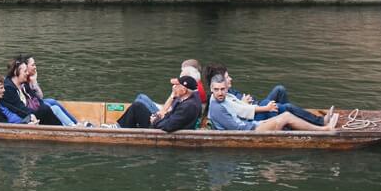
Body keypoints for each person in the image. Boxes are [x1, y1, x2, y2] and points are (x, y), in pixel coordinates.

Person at [204, 63, 326, 127]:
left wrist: (245, 102)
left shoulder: (227, 92)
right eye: (227, 77)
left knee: (279, 90)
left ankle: (290, 121)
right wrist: (246, 104)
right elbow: (238, 113)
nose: (230, 79)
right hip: (254, 116)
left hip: (257, 108)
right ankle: (320, 121)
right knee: (287, 107)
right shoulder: (219, 97)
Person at [207, 74, 339, 132]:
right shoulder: (217, 107)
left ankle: (320, 125)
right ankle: (324, 128)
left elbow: (239, 108)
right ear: (211, 89)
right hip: (250, 129)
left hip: (251, 124)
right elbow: (236, 129)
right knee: (285, 115)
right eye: (216, 89)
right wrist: (260, 124)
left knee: (284, 111)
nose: (220, 92)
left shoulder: (225, 97)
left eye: (222, 89)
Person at [105, 76, 202, 131]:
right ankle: (125, 125)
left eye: (176, 86)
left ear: (184, 90)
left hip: (158, 129)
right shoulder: (189, 98)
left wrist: (155, 121)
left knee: (137, 106)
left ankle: (121, 128)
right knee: (139, 102)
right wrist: (159, 117)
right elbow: (170, 116)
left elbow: (168, 126)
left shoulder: (187, 106)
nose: (174, 87)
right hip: (162, 122)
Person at [20, 55, 91, 127]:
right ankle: (71, 126)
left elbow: (40, 96)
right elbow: (32, 100)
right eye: (33, 65)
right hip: (29, 108)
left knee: (52, 101)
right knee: (49, 106)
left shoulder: (30, 77)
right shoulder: (22, 79)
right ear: (25, 67)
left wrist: (34, 82)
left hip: (33, 103)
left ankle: (76, 123)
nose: (35, 67)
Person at [2, 59, 62, 125]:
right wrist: (32, 115)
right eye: (25, 71)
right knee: (46, 110)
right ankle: (64, 130)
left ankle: (68, 127)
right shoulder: (8, 88)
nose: (27, 73)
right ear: (16, 72)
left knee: (46, 108)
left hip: (29, 112)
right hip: (22, 117)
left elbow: (37, 98)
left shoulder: (22, 83)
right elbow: (20, 109)